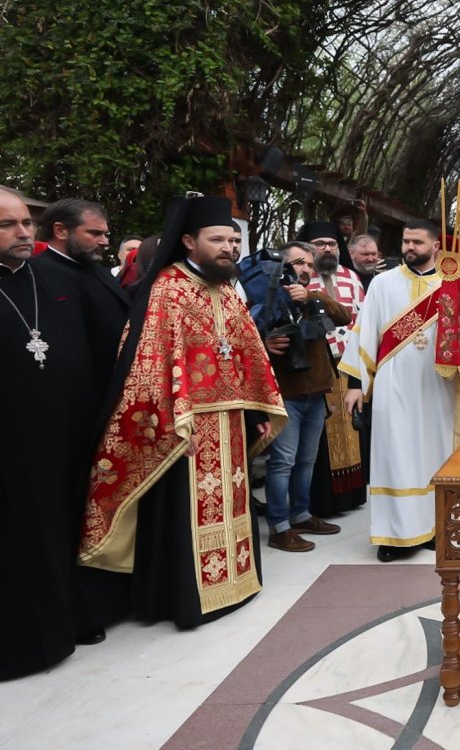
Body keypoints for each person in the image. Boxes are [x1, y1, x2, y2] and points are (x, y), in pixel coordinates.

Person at [79, 195, 285, 628]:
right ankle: (186, 599)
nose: (230, 248)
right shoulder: (167, 290)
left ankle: (236, 581)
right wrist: (173, 423)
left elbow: (246, 356)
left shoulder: (227, 291)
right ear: (189, 241)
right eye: (218, 240)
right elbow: (149, 366)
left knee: (233, 502)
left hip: (228, 422)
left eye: (233, 240)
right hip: (185, 427)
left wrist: (255, 411)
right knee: (185, 513)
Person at [0, 187, 107, 677]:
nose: (24, 233)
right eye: (8, 225)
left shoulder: (51, 276)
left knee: (69, 525)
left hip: (70, 433)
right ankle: (29, 641)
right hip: (14, 443)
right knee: (25, 535)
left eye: (25, 222)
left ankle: (75, 617)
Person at [340, 219, 460, 562]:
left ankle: (429, 527)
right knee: (393, 455)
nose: (409, 247)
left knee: (432, 455)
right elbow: (363, 332)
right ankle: (393, 536)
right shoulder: (383, 284)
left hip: (436, 386)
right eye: (406, 241)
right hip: (392, 383)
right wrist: (356, 384)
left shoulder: (454, 285)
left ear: (436, 247)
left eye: (417, 242)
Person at [260, 242, 351, 552]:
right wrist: (264, 340)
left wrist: (311, 295)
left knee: (307, 460)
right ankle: (279, 527)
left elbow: (343, 315)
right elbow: (248, 332)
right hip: (286, 392)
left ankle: (300, 515)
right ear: (283, 265)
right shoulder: (267, 295)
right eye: (299, 263)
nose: (305, 270)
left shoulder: (313, 298)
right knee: (283, 462)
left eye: (310, 265)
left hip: (316, 391)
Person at [297, 221, 368, 518]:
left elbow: (362, 319)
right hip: (316, 367)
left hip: (348, 364)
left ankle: (350, 497)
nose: (327, 249)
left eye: (332, 244)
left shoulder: (352, 277)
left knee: (351, 430)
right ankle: (321, 501)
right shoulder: (300, 278)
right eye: (320, 244)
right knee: (320, 439)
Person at [32, 199, 129, 390]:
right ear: (60, 230)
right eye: (94, 233)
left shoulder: (97, 269)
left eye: (105, 234)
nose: (104, 241)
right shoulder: (35, 274)